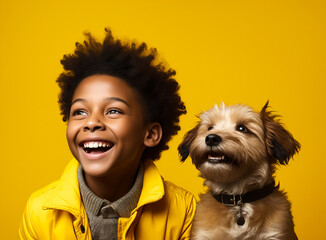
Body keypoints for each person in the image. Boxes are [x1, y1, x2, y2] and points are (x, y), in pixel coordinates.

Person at [19, 29, 196, 240]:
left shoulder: (184, 210)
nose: (91, 122)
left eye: (113, 111)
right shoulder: (39, 213)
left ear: (150, 134)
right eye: (80, 112)